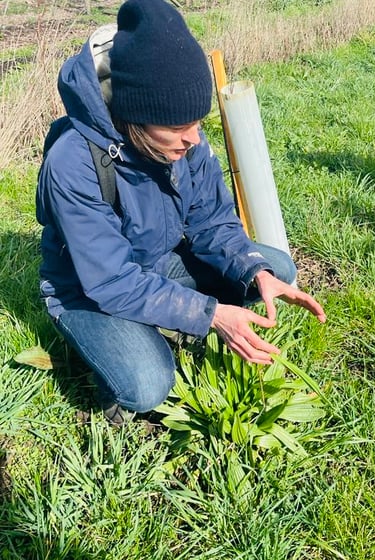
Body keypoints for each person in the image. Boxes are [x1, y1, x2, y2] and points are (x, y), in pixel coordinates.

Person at [36, 0, 326, 424]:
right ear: (136, 117)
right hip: (89, 288)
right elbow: (112, 281)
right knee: (147, 385)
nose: (193, 139)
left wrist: (256, 272)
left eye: (198, 123)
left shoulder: (184, 139)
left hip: (157, 262)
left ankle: (172, 318)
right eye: (177, 128)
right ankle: (105, 354)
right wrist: (210, 315)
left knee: (274, 269)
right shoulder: (74, 162)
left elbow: (213, 222)